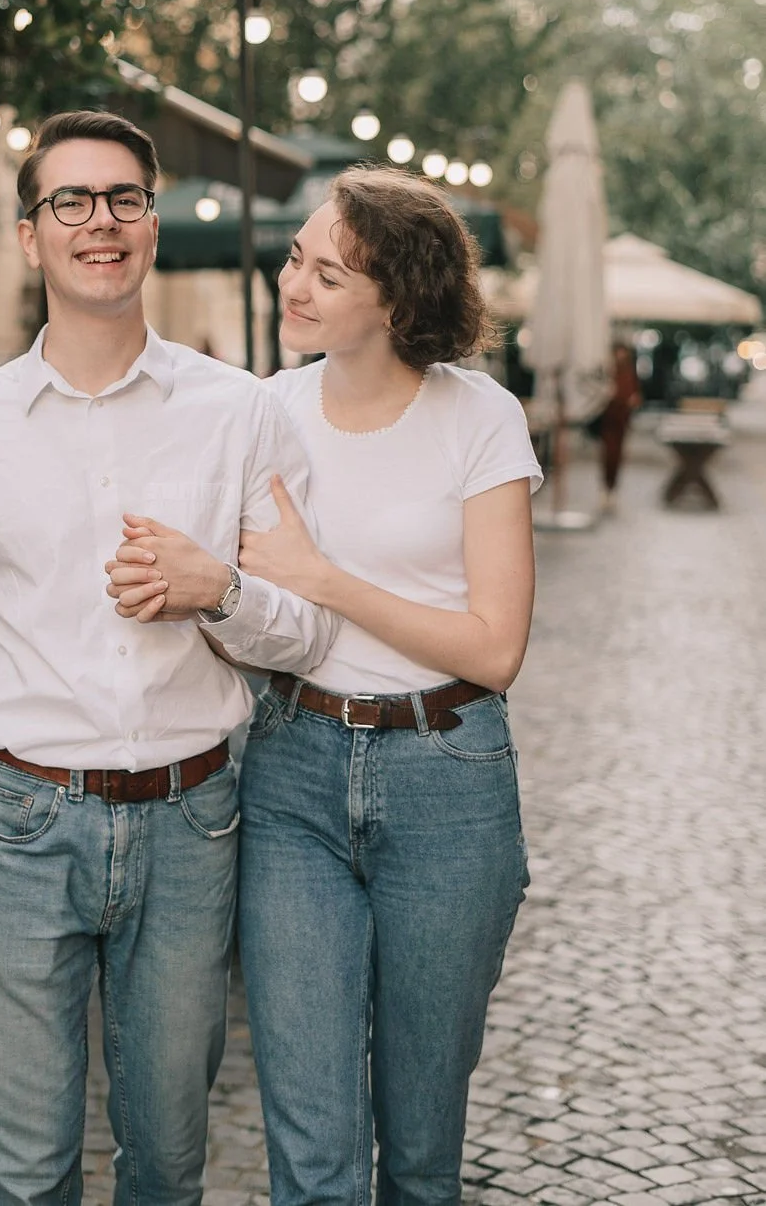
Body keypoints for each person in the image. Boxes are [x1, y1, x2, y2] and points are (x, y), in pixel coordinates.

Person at [0, 109, 337, 1206]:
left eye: (125, 198)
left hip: (192, 824)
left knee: (168, 1167)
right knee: (26, 1173)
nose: (101, 222)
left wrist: (215, 591)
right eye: (70, 201)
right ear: (30, 235)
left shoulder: (240, 414)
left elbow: (308, 630)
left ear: (153, 224)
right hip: (19, 827)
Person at [106, 166, 543, 1206]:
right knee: (312, 1147)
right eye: (297, 258)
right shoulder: (260, 411)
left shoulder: (481, 420)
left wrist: (323, 580)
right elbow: (248, 618)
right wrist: (203, 589)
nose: (293, 286)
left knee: (425, 1148)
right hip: (293, 774)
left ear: (398, 300)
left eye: (330, 274)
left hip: (451, 779)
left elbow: (495, 648)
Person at [598, 341, 642, 513]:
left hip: (621, 420)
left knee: (617, 455)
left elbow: (635, 393)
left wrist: (632, 400)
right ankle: (606, 487)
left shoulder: (628, 372)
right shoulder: (609, 372)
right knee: (608, 454)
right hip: (609, 419)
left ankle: (612, 488)